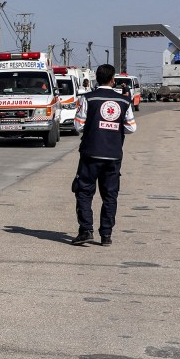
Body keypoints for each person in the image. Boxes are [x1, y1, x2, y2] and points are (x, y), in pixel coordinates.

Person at [71, 64, 136, 247]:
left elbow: (78, 126)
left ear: (96, 79)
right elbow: (131, 127)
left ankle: (86, 230)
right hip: (113, 155)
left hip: (91, 153)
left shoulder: (87, 99)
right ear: (113, 79)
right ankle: (106, 235)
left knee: (84, 192)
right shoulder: (124, 101)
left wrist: (95, 126)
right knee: (110, 195)